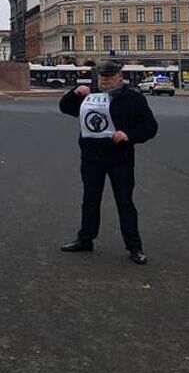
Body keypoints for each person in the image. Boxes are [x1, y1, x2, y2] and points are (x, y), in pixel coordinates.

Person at [59, 61, 158, 265]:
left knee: (125, 202)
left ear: (119, 77)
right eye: (102, 77)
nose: (105, 81)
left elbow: (150, 127)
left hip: (120, 159)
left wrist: (129, 135)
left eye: (109, 77)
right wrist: (74, 93)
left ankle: (134, 246)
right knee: (90, 200)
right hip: (91, 158)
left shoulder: (133, 98)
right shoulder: (89, 95)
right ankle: (85, 239)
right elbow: (66, 108)